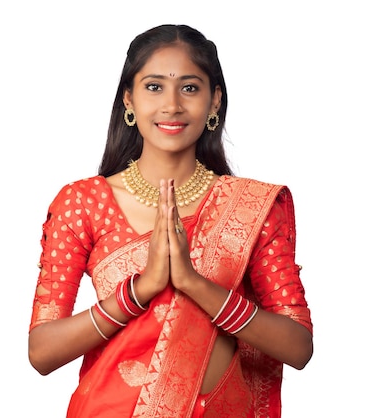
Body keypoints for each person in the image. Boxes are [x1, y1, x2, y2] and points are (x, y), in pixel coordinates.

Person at [28, 24, 313, 418]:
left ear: (215, 102)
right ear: (129, 98)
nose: (172, 105)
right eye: (154, 87)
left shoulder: (251, 206)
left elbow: (298, 345)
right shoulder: (83, 203)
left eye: (190, 88)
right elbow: (42, 352)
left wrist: (195, 284)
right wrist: (139, 291)